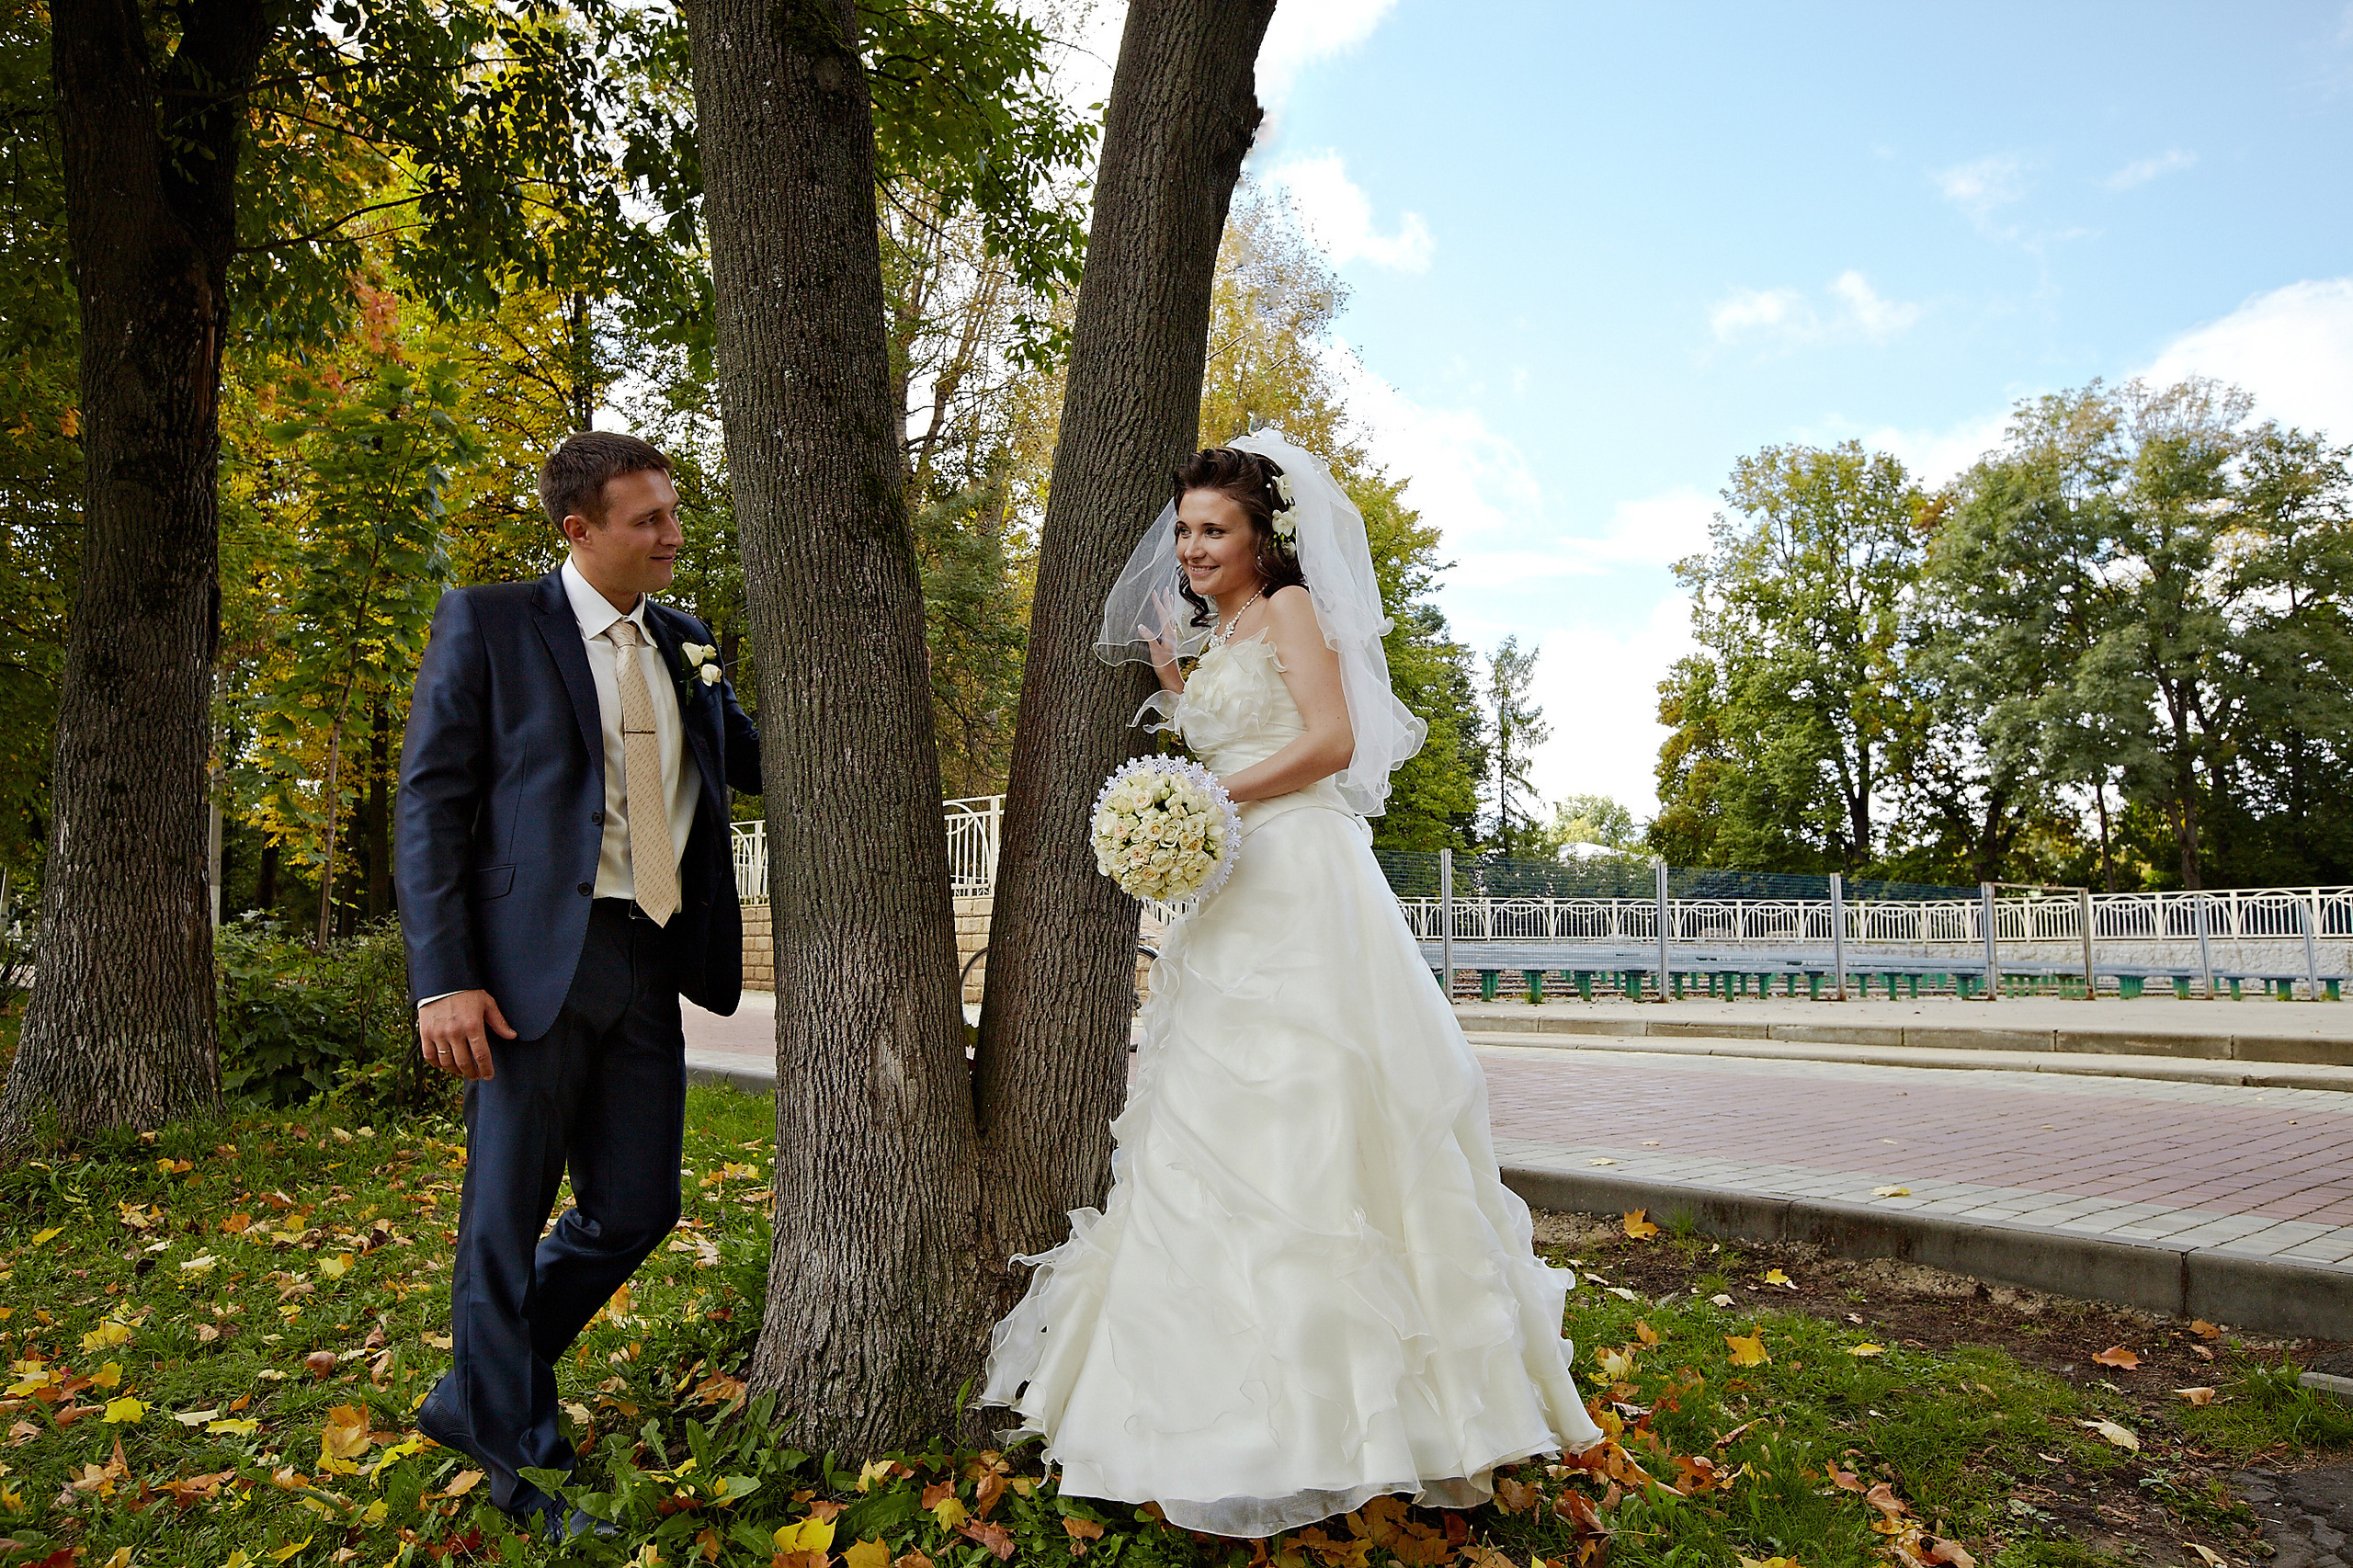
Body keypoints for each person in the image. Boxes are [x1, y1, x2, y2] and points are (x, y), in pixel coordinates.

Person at [978, 431, 1604, 1540]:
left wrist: (1205, 787)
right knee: (1216, 1123)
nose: (1192, 546)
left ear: (1263, 536)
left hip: (1304, 882)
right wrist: (1179, 688)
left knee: (1319, 1115)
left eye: (1213, 528)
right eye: (1183, 530)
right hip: (1232, 897)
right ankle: (1202, 1412)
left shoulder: (1297, 613)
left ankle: (1368, 1418)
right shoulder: (1221, 633)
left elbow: (1329, 740)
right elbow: (1229, 724)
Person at [395, 431, 762, 1540]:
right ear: (579, 529)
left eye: (673, 510)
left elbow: (750, 759)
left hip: (652, 953)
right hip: (521, 972)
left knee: (639, 1206)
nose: (673, 533)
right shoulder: (492, 623)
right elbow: (430, 803)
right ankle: (530, 1467)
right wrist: (443, 977)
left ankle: (475, 1390)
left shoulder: (687, 639)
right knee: (501, 1221)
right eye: (647, 518)